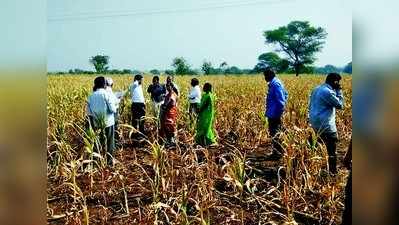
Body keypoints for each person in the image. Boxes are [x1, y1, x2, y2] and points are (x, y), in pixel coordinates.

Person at [309, 72, 344, 175]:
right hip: (325, 124)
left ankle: (313, 167)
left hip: (315, 123)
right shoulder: (328, 92)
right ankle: (333, 172)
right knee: (331, 149)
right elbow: (340, 105)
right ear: (335, 81)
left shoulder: (316, 89)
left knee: (315, 146)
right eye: (338, 82)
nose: (338, 84)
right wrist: (339, 91)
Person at [258, 61, 288, 159]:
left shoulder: (275, 84)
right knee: (275, 132)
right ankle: (278, 152)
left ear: (270, 75)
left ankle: (277, 153)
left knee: (275, 133)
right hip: (273, 112)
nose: (265, 78)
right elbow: (286, 94)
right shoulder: (275, 83)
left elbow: (281, 100)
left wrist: (280, 111)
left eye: (265, 75)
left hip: (275, 113)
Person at [87, 76, 117, 165]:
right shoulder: (106, 94)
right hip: (108, 122)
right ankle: (109, 161)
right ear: (104, 84)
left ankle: (97, 161)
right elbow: (113, 109)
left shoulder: (91, 96)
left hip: (96, 123)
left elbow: (89, 112)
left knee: (98, 142)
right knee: (109, 143)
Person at [159, 83, 178, 147]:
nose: (167, 88)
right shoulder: (169, 94)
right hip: (169, 112)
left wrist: (165, 107)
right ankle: (169, 141)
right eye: (166, 86)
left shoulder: (172, 94)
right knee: (167, 126)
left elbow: (172, 103)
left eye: (168, 86)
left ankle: (172, 141)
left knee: (169, 125)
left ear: (172, 87)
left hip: (170, 112)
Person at [130, 74, 146, 139]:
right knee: (135, 120)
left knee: (142, 120)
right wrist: (137, 81)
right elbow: (135, 84)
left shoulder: (139, 86)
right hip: (136, 104)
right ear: (138, 80)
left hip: (141, 104)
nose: (143, 81)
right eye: (142, 80)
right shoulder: (134, 85)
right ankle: (135, 134)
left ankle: (141, 134)